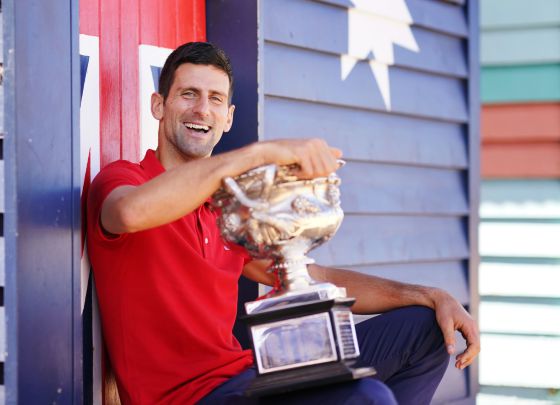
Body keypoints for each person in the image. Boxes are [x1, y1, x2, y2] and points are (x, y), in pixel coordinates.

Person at [87, 42, 479, 405]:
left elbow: (311, 274)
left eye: (215, 99)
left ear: (228, 118)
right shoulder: (127, 179)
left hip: (245, 377)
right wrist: (257, 154)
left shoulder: (225, 209)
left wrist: (430, 295)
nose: (202, 110)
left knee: (423, 331)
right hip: (190, 398)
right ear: (159, 105)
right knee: (366, 397)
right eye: (189, 94)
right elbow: (127, 214)